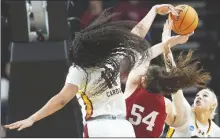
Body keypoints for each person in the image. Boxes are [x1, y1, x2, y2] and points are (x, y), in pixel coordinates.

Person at [4, 5, 178, 137]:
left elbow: (61, 100)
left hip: (99, 127)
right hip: (124, 129)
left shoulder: (79, 70)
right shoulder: (111, 60)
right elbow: (136, 34)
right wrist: (154, 11)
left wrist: (32, 118)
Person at [125, 18, 211, 137]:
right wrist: (167, 47)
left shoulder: (133, 89)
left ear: (143, 80)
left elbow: (144, 57)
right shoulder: (166, 105)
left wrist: (168, 44)